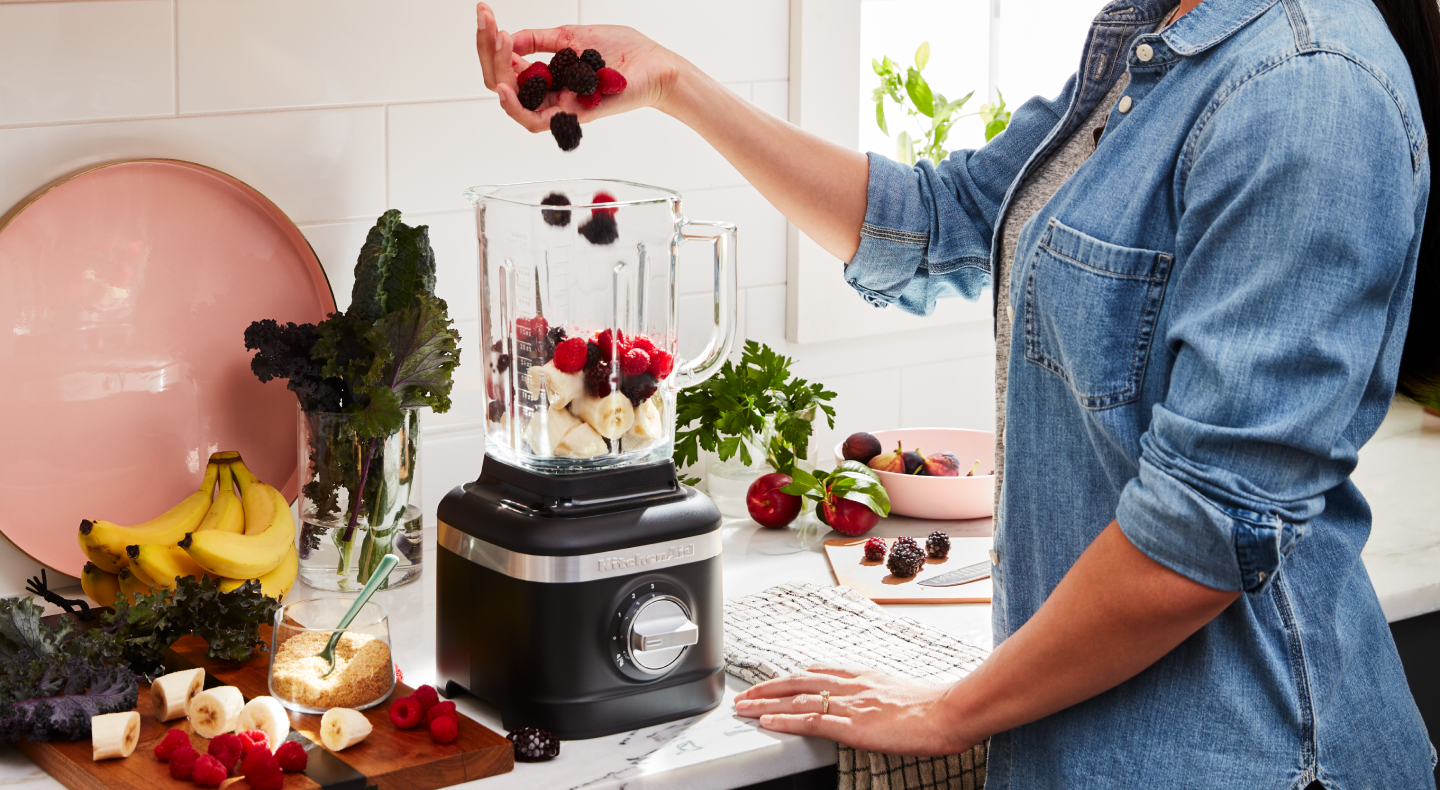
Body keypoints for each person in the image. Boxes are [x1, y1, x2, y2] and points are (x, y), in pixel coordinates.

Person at [475, 0, 1439, 786]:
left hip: (1249, 756)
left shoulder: (1308, 88)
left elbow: (1206, 529)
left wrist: (951, 708)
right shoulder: (1157, 41)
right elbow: (939, 222)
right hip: (1087, 744)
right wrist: (672, 83)